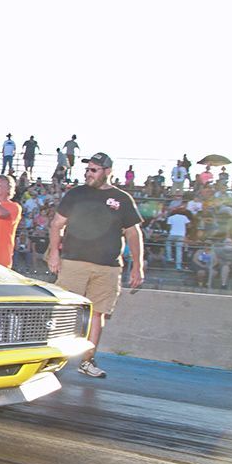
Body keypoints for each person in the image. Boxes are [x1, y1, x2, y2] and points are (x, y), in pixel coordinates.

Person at [46, 152, 144, 378]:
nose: (88, 173)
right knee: (65, 313)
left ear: (107, 172)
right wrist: (54, 253)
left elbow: (133, 232)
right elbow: (56, 224)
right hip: (73, 262)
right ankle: (51, 359)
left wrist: (138, 265)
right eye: (87, 169)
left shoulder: (122, 199)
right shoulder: (76, 194)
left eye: (94, 170)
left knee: (98, 314)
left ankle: (87, 361)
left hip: (108, 266)